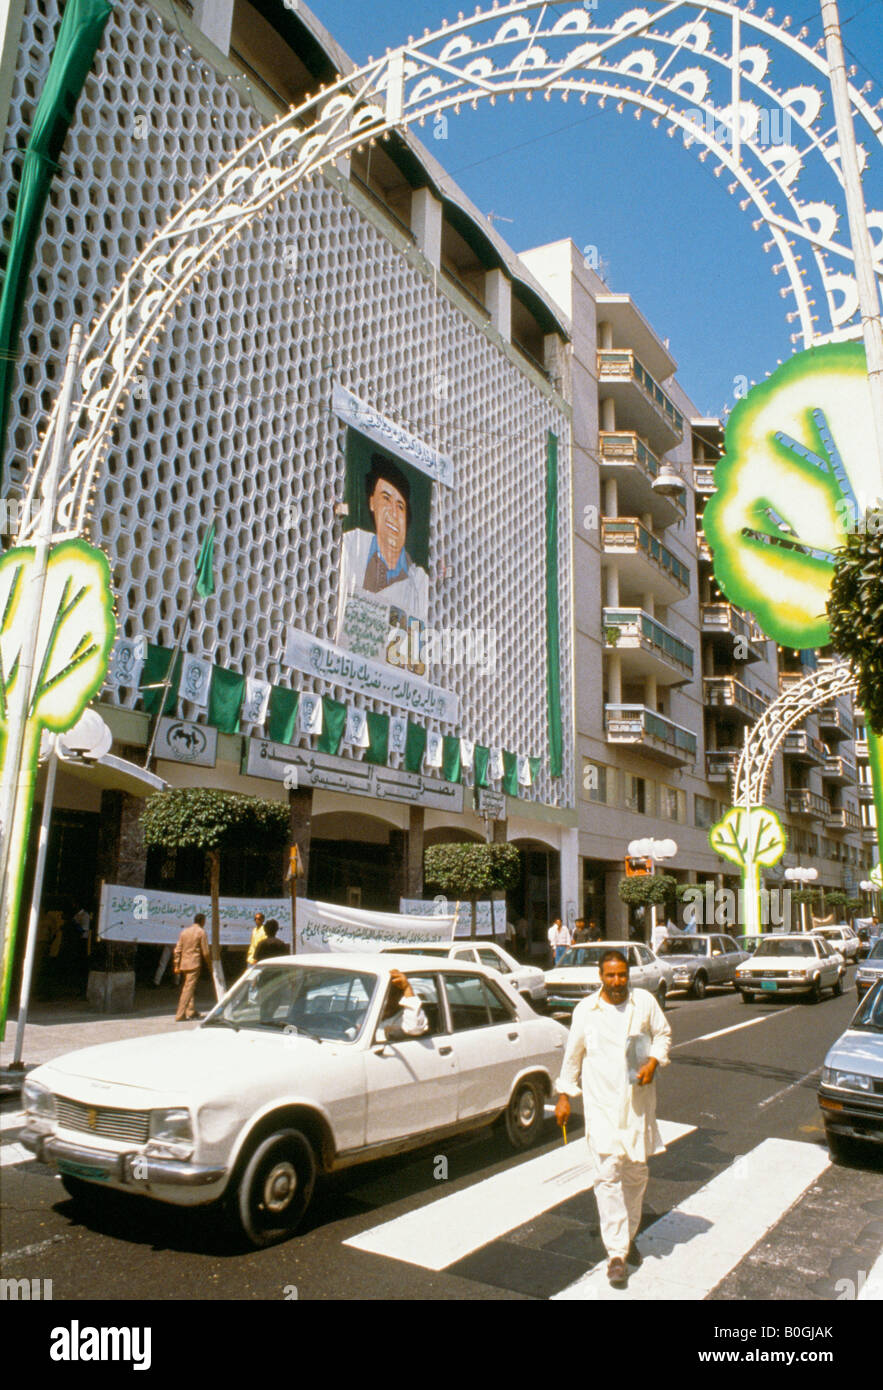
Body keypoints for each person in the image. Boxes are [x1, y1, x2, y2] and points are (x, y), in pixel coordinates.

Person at [554, 948, 672, 1288]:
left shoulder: (645, 1003)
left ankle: (628, 1234)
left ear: (629, 975)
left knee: (635, 1173)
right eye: (610, 975)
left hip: (637, 1105)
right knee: (607, 1176)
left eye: (622, 975)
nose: (617, 981)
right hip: (601, 1106)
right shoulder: (585, 1011)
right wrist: (564, 1095)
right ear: (600, 976)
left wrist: (653, 1061)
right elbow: (572, 1056)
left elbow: (663, 1035)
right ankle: (617, 1254)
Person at [337, 454, 429, 667]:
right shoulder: (351, 545)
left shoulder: (420, 582)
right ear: (371, 503)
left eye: (401, 506)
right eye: (386, 499)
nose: (393, 513)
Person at [173, 912, 211, 1022]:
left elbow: (177, 949)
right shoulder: (201, 932)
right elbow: (206, 952)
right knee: (188, 990)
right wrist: (210, 965)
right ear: (202, 921)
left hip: (184, 964)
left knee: (189, 987)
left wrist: (176, 964)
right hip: (194, 964)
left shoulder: (184, 932)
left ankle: (190, 1010)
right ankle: (180, 1014)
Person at [375, 969, 430, 1041]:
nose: (387, 999)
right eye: (385, 995)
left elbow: (414, 1029)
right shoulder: (370, 1013)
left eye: (392, 994)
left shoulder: (406, 1017)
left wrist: (407, 989)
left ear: (400, 996)